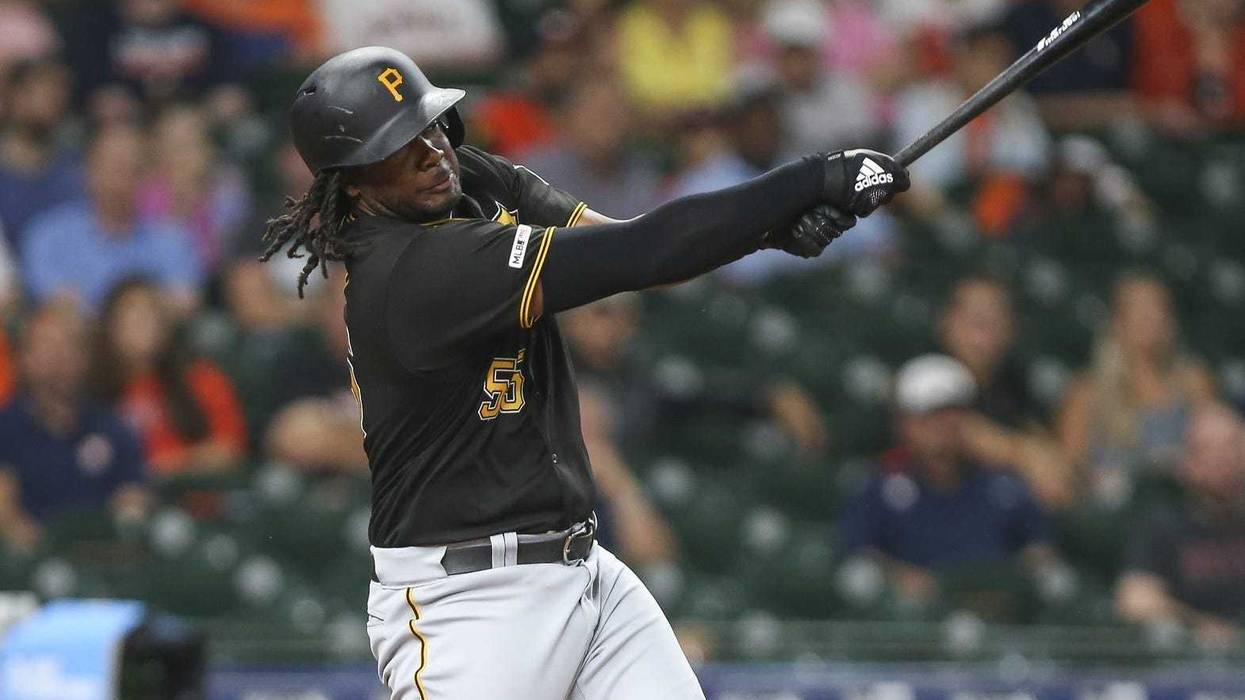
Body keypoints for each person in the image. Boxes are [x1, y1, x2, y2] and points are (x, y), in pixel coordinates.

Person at [262, 46, 907, 699]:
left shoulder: (463, 178)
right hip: (469, 607)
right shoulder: (413, 271)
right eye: (397, 147)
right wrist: (809, 180)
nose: (430, 151)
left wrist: (765, 232)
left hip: (583, 569)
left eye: (428, 126)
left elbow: (626, 245)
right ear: (351, 182)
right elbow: (645, 252)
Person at [838, 354, 1059, 609]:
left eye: (954, 414)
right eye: (932, 416)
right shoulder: (879, 489)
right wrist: (906, 580)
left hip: (1001, 615)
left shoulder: (1003, 487)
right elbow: (860, 553)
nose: (944, 426)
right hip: (916, 620)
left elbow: (1039, 548)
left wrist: (1009, 582)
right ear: (904, 423)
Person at [0, 301, 149, 553]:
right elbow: (5, 511)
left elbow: (132, 499)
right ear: (24, 358)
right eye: (48, 347)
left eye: (71, 345)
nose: (61, 357)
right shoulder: (6, 429)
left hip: (104, 557)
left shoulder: (112, 427)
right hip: (34, 560)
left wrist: (122, 530)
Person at [1057, 274, 1218, 495]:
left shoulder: (1193, 381)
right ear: (1117, 321)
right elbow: (1068, 473)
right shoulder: (1086, 393)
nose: (1150, 316)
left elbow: (1218, 451)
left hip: (1186, 501)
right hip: (1116, 507)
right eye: (1138, 308)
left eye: (1158, 307)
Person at [20, 124, 202, 312]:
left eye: (132, 169)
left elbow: (184, 301)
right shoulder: (48, 236)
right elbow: (56, 304)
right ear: (87, 171)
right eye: (112, 168)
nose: (120, 180)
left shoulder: (170, 238)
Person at [1116, 404, 1245, 651]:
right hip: (1188, 657)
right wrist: (1198, 626)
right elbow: (1135, 600)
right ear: (1186, 464)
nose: (1225, 459)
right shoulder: (1164, 525)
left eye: (1233, 447)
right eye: (1210, 450)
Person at [940, 274, 1073, 508]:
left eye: (995, 317)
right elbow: (950, 428)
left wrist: (1043, 459)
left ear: (1010, 328)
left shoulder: (1013, 383)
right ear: (947, 322)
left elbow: (1044, 447)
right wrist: (1022, 454)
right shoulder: (925, 371)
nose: (983, 328)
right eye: (974, 317)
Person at [93, 278, 246, 477]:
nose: (144, 324)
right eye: (132, 314)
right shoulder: (91, 394)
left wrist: (166, 466)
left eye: (152, 314)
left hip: (195, 491)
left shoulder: (201, 379)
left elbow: (229, 449)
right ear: (110, 327)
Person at [0, 56, 84, 252]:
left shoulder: (74, 168)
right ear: (14, 96)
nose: (50, 101)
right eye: (40, 91)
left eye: (57, 93)